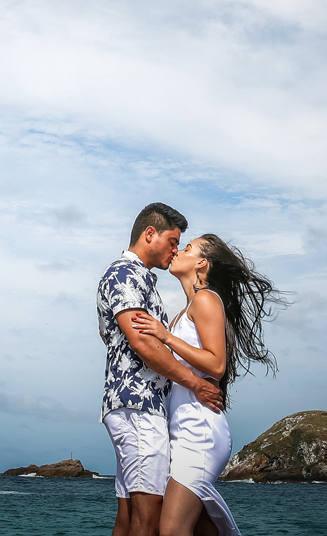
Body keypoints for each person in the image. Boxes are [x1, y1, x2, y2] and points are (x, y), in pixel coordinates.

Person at [131, 234, 283, 536]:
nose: (177, 251)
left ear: (201, 263)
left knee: (172, 530)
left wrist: (165, 336)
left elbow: (216, 364)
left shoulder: (206, 299)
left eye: (186, 248)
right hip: (181, 430)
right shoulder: (181, 313)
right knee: (202, 529)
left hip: (199, 430)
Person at [98, 203, 225, 536]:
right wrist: (195, 384)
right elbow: (143, 344)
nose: (174, 249)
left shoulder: (144, 280)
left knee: (129, 516)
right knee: (148, 516)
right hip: (140, 406)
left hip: (141, 407)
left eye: (182, 245)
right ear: (149, 233)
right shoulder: (126, 273)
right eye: (173, 240)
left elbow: (117, 336)